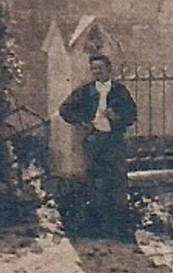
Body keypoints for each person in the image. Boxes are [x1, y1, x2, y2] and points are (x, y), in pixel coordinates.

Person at [58, 54, 138, 240]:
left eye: (100, 68)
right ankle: (96, 228)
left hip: (114, 142)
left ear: (109, 70)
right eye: (93, 69)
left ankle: (118, 229)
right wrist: (84, 122)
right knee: (95, 182)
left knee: (117, 182)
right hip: (94, 142)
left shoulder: (120, 91)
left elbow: (132, 115)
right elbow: (65, 110)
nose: (96, 72)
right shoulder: (86, 91)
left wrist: (116, 116)